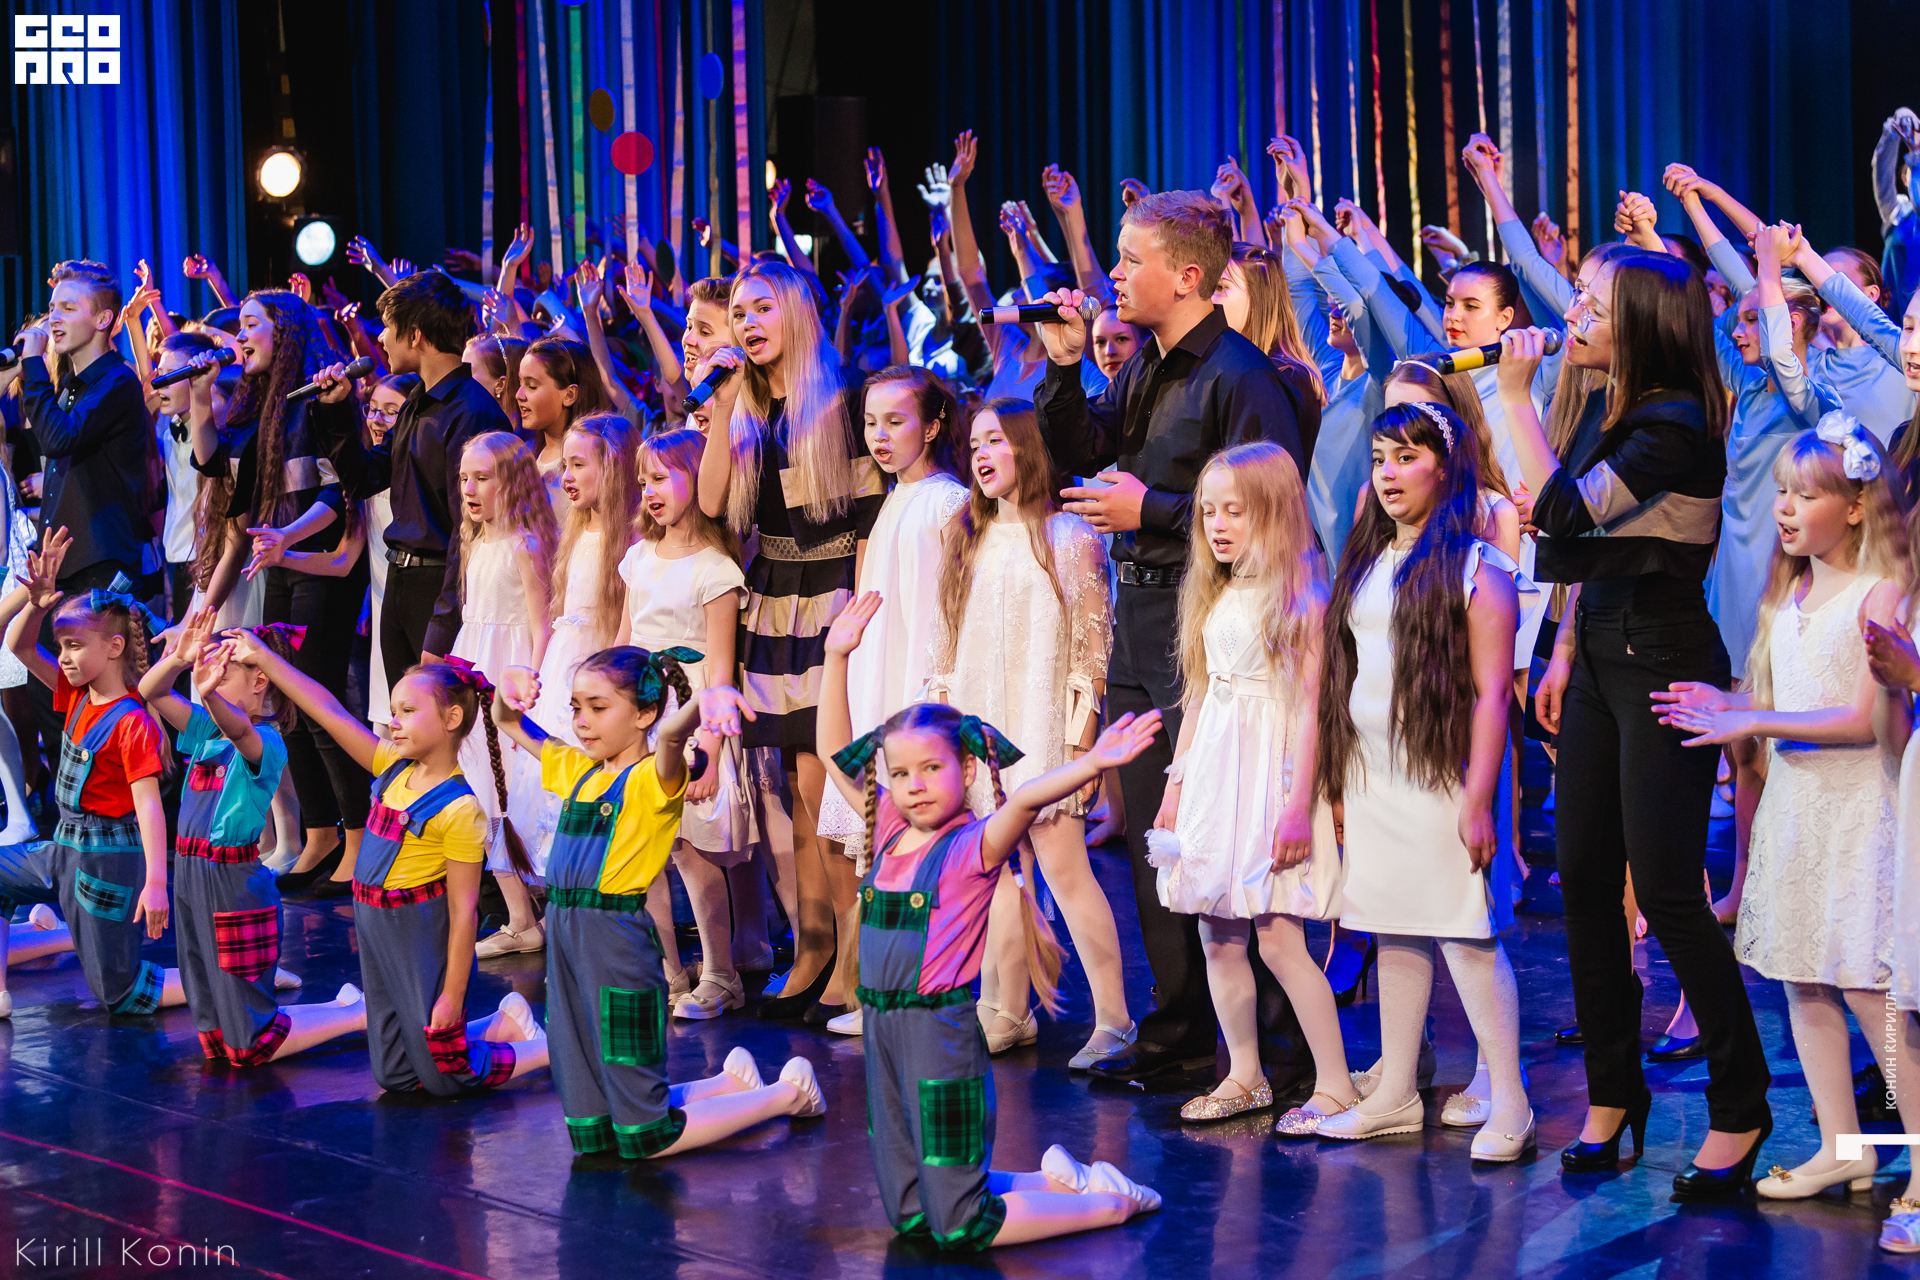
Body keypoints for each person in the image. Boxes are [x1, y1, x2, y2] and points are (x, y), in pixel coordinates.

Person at [1498, 253, 1773, 1198]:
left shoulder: (1677, 422)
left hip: (1662, 653)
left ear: (1644, 323)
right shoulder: (1610, 409)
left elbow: (1560, 513)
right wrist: (1564, 652)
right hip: (1600, 649)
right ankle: (1613, 1096)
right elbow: (1580, 548)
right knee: (1584, 882)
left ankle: (1741, 1102)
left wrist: (1513, 396)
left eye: (1591, 302)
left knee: (1665, 891)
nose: (1572, 313)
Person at [1032, 188, 1305, 1084]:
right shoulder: (1144, 364)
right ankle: (1180, 1028)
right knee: (1160, 836)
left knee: (1226, 833)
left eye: (1129, 259)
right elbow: (1085, 450)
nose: (1113, 274)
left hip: (1213, 627)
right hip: (1142, 617)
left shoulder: (1241, 376)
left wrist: (1148, 509)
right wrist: (1065, 371)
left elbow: (1271, 515)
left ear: (1186, 276)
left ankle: (1276, 1050)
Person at [819, 592, 1165, 1248]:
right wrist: (836, 658)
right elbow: (834, 746)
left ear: (969, 768)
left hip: (939, 1036)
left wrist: (1092, 763)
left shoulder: (971, 847)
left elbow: (1028, 798)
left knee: (959, 1222)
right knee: (911, 1213)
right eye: (901, 772)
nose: (915, 784)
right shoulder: (885, 827)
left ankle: (1107, 1204)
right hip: (885, 1033)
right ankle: (1053, 1183)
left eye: (932, 768)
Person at [1655, 420, 1913, 1209]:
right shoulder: (1789, 591)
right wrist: (1733, 704)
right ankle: (1844, 1148)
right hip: (1799, 811)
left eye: (1805, 495)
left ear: (1857, 507)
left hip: (1859, 813)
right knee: (1805, 980)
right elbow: (1782, 697)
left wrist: (1755, 719)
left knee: (1871, 993)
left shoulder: (1880, 593)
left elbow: (1863, 719)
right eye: (1780, 494)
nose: (1785, 509)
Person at [490, 650, 828, 1157]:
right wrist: (506, 687)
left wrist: (702, 704)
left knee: (645, 1136)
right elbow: (508, 721)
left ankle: (787, 1095)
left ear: (644, 713)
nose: (582, 721)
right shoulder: (576, 769)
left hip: (616, 943)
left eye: (598, 707)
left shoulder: (653, 779)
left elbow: (671, 739)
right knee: (590, 1128)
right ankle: (727, 1084)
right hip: (566, 938)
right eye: (577, 707)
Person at [1310, 402, 1535, 1160]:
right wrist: (1338, 782)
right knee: (1391, 922)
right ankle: (1396, 1091)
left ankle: (1511, 1101)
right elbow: (1350, 675)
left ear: (1445, 468)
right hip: (1373, 774)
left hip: (1440, 778)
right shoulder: (1369, 561)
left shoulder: (1479, 569)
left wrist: (1478, 799)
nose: (1388, 474)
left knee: (1463, 931)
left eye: (1406, 457)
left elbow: (1493, 696)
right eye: (1380, 459)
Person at [230, 634, 550, 1095]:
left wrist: (453, 995)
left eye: (408, 711)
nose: (394, 722)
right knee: (396, 1073)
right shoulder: (391, 765)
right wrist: (265, 658)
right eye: (395, 711)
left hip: (417, 931)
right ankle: (501, 1023)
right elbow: (328, 709)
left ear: (451, 719)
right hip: (374, 926)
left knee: (446, 1074)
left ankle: (546, 1050)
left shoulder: (459, 808)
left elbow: (463, 912)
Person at [694, 259, 883, 1022]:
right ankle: (813, 951)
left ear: (798, 311)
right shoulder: (749, 407)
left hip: (832, 596)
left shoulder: (843, 400)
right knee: (794, 792)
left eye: (762, 308)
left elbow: (868, 520)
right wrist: (719, 408)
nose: (748, 324)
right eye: (739, 313)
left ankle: (855, 960)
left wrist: (857, 622)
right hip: (774, 598)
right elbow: (713, 503)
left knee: (822, 786)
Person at [1149, 443, 1351, 1131]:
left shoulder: (1301, 597)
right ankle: (1244, 1074)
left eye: (1234, 511)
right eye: (1209, 512)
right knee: (1217, 932)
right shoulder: (1219, 590)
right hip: (1216, 775)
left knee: (1279, 938)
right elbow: (1201, 697)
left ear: (1273, 510)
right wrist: (1176, 786)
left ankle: (1335, 1084)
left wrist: (1298, 807)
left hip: (1271, 777)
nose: (1218, 525)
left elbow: (1311, 711)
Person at [928, 399, 1132, 1067]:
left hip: (1042, 729)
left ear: (1027, 446)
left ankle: (1114, 1019)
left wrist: (1081, 745)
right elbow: (947, 645)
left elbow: (1091, 653)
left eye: (996, 441)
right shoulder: (968, 536)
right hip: (982, 728)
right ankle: (1005, 1007)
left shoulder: (1069, 538)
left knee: (1065, 871)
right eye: (975, 444)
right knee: (996, 874)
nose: (982, 455)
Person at [813, 365, 970, 1035]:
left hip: (915, 685)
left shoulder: (945, 503)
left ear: (931, 427)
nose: (880, 436)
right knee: (879, 849)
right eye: (871, 423)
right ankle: (882, 988)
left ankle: (916, 989)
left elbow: (943, 614)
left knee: (915, 850)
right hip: (877, 679)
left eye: (896, 421)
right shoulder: (892, 501)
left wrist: (931, 695)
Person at [138, 611, 368, 1063]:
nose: (209, 679)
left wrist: (207, 693)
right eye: (208, 672)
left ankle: (353, 1014)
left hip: (233, 884)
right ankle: (338, 1008)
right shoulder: (205, 730)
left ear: (259, 680)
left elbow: (239, 730)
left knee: (249, 1043)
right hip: (192, 876)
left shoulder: (266, 739)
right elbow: (152, 692)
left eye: (222, 673)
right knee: (212, 1032)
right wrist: (179, 659)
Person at [614, 429, 760, 1020]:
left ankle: (721, 974)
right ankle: (671, 971)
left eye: (661, 478)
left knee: (692, 851)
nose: (649, 491)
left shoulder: (715, 570)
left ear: (697, 481)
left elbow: (720, 671)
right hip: (642, 715)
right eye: (643, 480)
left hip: (691, 713)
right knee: (648, 849)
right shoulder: (639, 557)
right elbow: (624, 644)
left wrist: (711, 754)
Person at [0, 531, 169, 1017]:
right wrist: (35, 604)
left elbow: (149, 805)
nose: (65, 657)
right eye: (62, 647)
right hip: (63, 847)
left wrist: (156, 881)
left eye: (74, 645)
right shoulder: (76, 695)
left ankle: (218, 987)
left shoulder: (131, 721)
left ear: (115, 646)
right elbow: (18, 646)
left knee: (119, 992)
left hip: (104, 861)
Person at [317, 268, 514, 683]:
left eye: (389, 328)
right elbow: (366, 478)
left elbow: (469, 530)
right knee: (404, 713)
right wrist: (337, 410)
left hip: (439, 588)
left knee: (440, 715)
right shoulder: (414, 402)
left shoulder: (472, 411)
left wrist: (443, 625)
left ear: (416, 335)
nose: (381, 339)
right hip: (400, 581)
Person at [17, 262, 163, 756]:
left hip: (101, 563)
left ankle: (136, 799)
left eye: (67, 308)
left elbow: (59, 438)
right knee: (54, 697)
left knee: (113, 702)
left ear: (102, 320)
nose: (52, 319)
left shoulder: (117, 382)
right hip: (66, 566)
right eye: (51, 308)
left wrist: (34, 365)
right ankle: (78, 799)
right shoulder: (72, 387)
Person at [449, 432, 557, 957]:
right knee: (480, 793)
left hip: (507, 680)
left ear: (511, 482)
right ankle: (520, 918)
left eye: (482, 478)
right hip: (473, 673)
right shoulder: (476, 542)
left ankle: (548, 911)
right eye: (464, 479)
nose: (470, 489)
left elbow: (541, 627)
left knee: (514, 795)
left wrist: (529, 688)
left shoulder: (525, 546)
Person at [516, 336, 610, 519]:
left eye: (532, 386)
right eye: (520, 384)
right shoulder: (527, 456)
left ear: (569, 394)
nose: (519, 395)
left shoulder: (593, 468)